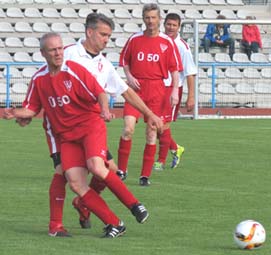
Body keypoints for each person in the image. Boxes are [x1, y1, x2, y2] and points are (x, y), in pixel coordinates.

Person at [17, 13, 163, 237]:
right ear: (89, 32)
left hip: (90, 125)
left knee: (104, 171)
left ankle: (86, 206)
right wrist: (28, 112)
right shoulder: (67, 54)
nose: (107, 40)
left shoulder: (103, 64)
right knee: (65, 172)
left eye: (109, 36)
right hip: (61, 129)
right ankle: (56, 224)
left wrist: (149, 114)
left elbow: (125, 92)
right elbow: (47, 82)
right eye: (103, 35)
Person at [117, 3, 183, 186]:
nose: (151, 21)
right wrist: (129, 76)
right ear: (143, 19)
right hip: (136, 90)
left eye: (154, 18)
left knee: (151, 132)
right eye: (147, 18)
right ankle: (122, 170)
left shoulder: (167, 42)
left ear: (159, 19)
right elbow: (124, 61)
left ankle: (144, 176)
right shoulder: (135, 39)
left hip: (157, 90)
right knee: (128, 128)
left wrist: (175, 92)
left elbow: (175, 69)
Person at [153, 13, 197, 171]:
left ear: (179, 27)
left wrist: (191, 97)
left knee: (163, 125)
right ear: (164, 25)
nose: (171, 27)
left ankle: (160, 161)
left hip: (173, 89)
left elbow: (190, 72)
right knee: (154, 125)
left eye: (174, 25)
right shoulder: (158, 40)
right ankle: (176, 148)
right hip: (156, 87)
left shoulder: (182, 47)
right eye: (168, 24)